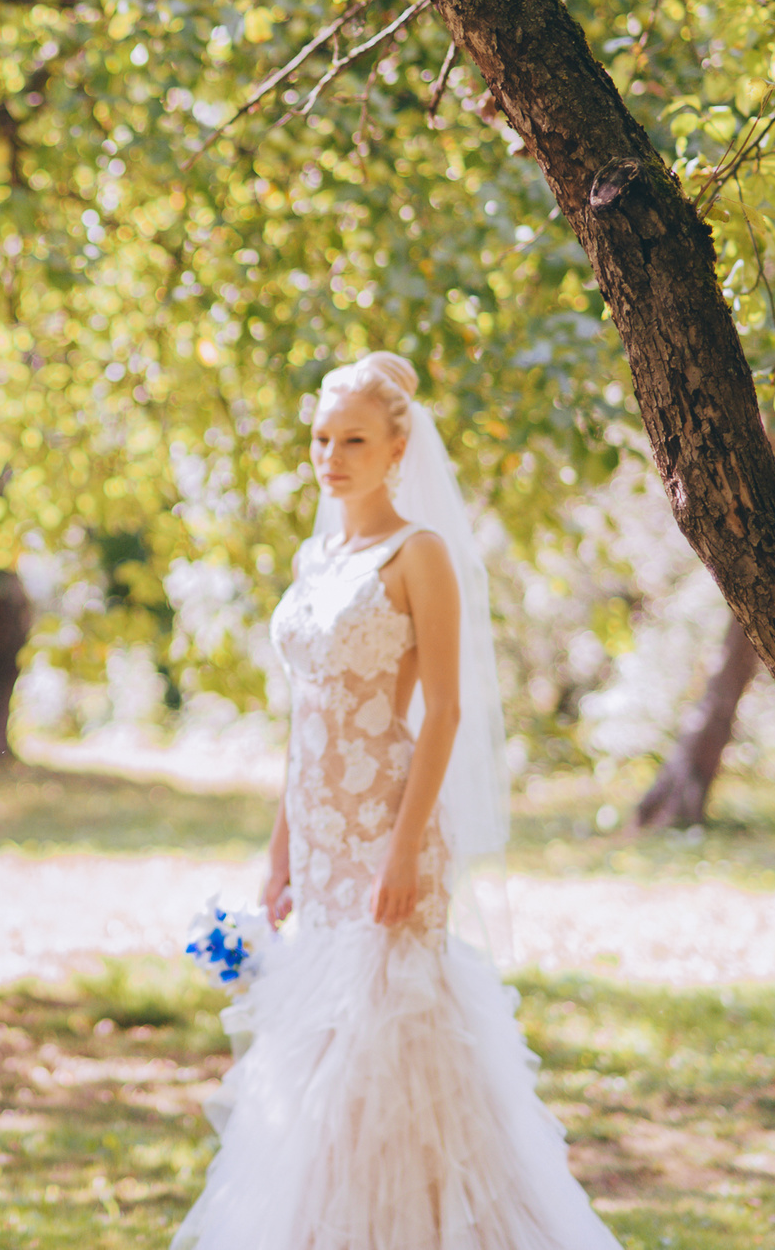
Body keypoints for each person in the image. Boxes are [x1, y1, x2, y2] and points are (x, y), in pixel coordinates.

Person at [173, 351, 619, 1249]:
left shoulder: (420, 554)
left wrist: (405, 848)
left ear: (396, 449)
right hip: (320, 836)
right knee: (321, 1047)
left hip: (390, 825)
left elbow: (445, 709)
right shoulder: (313, 557)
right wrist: (279, 854)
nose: (331, 456)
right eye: (321, 438)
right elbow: (305, 721)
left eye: (354, 440)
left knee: (393, 1033)